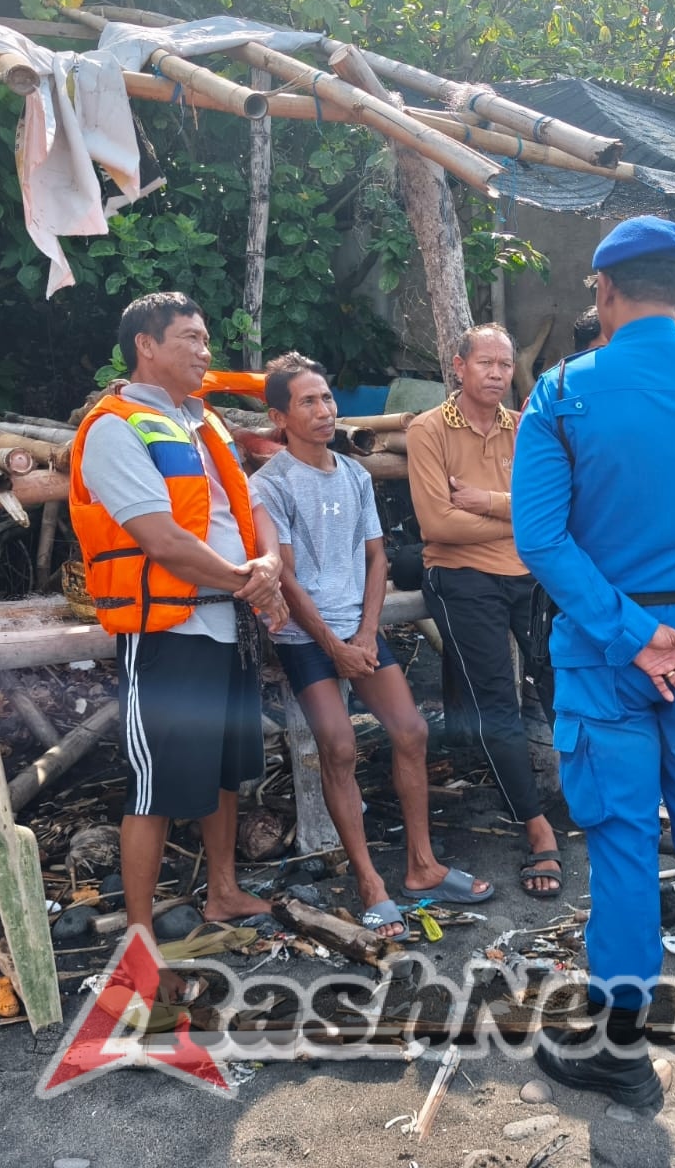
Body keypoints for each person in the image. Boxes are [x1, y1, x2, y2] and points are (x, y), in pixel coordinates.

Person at [513, 217, 675, 1112]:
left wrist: (629, 632)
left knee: (624, 842)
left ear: (605, 293)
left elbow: (540, 537)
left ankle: (620, 1052)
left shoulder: (561, 392)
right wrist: (667, 626)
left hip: (602, 646)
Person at [68, 292, 288, 995]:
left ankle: (221, 891)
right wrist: (246, 580)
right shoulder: (113, 428)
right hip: (167, 629)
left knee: (225, 770)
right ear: (146, 346)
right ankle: (138, 943)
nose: (204, 351)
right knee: (155, 787)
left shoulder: (204, 422)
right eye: (190, 339)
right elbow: (160, 537)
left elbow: (250, 506)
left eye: (205, 338)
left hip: (226, 621)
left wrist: (269, 566)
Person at [249, 354, 492, 938]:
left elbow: (377, 557)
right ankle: (369, 883)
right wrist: (333, 643)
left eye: (327, 398)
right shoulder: (269, 483)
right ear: (279, 416)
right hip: (305, 633)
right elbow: (281, 574)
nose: (324, 410)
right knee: (336, 747)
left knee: (411, 731)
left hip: (358, 628)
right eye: (307, 402)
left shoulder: (354, 474)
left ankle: (422, 866)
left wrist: (364, 632)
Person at [406, 326, 563, 899]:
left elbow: (549, 508)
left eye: (504, 364)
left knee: (560, 680)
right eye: (486, 364)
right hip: (461, 576)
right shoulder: (427, 430)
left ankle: (597, 800)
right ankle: (537, 828)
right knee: (496, 702)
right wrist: (516, 515)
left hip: (527, 573)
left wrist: (488, 502)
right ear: (459, 367)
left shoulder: (523, 428)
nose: (497, 374)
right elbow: (438, 525)